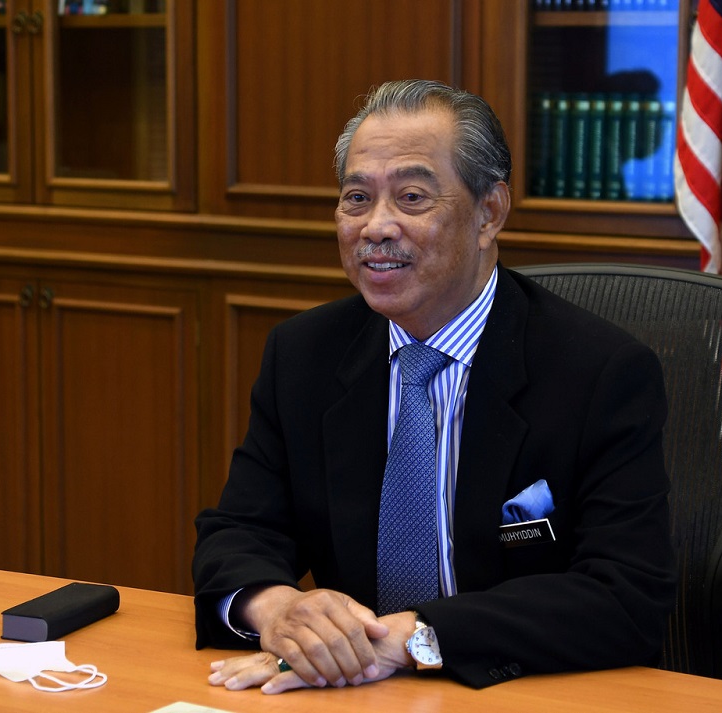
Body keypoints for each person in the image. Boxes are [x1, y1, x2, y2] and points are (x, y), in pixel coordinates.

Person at [193, 79, 676, 694]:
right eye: (357, 198)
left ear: (489, 212)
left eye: (412, 197)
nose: (376, 227)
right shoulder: (304, 356)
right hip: (352, 690)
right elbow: (238, 531)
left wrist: (414, 638)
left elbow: (625, 594)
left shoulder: (600, 372)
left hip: (519, 689)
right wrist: (279, 609)